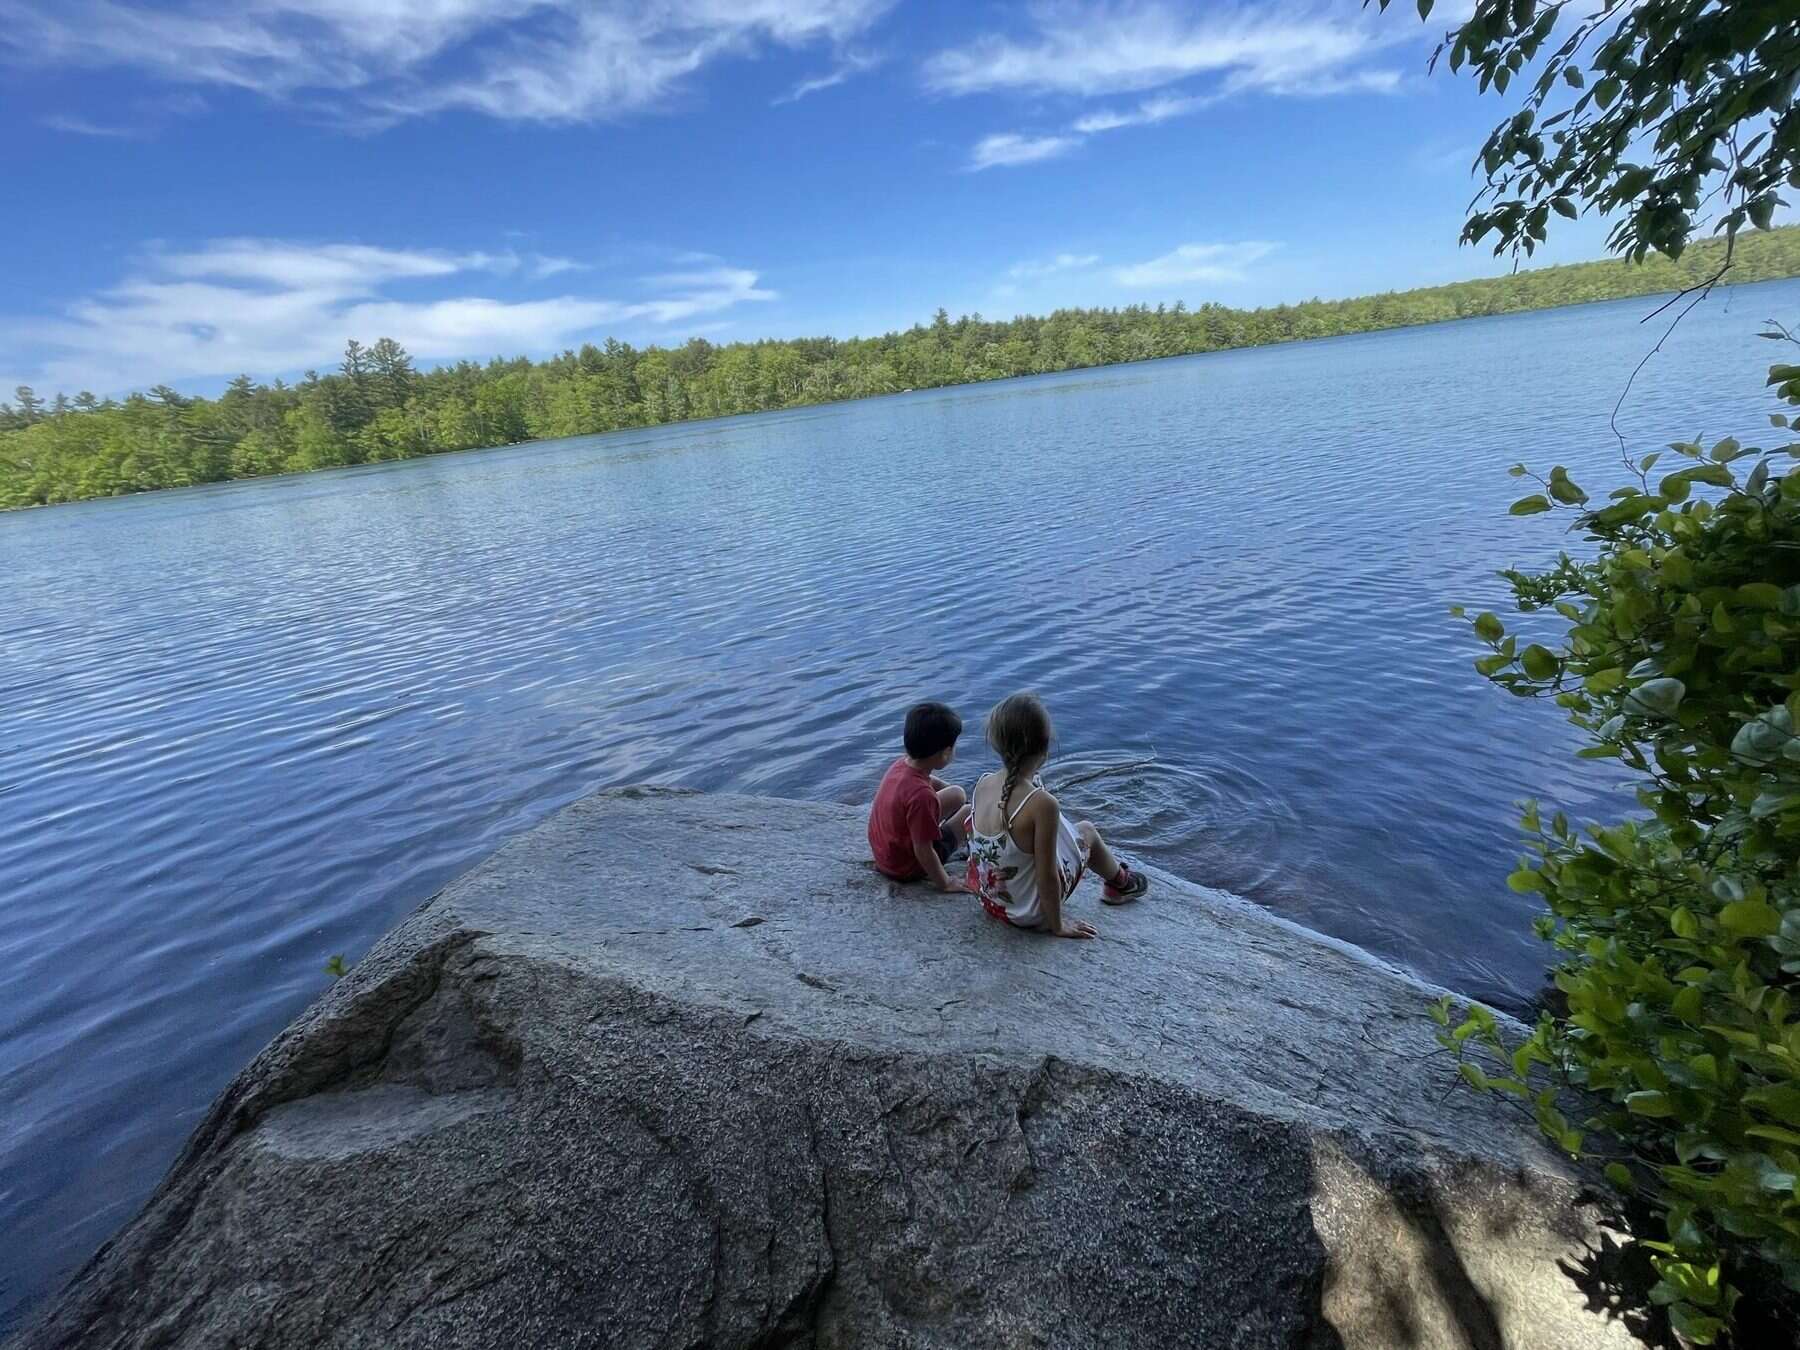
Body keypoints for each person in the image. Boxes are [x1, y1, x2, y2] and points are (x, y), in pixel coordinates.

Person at [966, 693, 1149, 938]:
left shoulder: (983, 783)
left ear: (997, 743)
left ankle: (1119, 881)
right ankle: (1121, 884)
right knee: (1087, 832)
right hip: (1026, 913)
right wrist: (1057, 925)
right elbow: (1047, 876)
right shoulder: (1042, 803)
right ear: (1045, 748)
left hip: (991, 902)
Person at [868, 701, 973, 892]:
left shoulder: (901, 765)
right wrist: (946, 883)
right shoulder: (922, 796)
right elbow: (923, 850)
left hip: (887, 853)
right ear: (945, 753)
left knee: (957, 793)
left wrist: (947, 796)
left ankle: (948, 824)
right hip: (907, 866)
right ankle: (973, 849)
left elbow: (931, 782)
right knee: (969, 813)